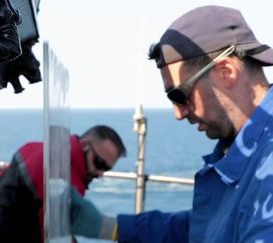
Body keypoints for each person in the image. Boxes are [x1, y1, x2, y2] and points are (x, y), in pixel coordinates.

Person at [71, 5, 273, 242]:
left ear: (225, 71)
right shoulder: (244, 147)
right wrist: (112, 228)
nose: (179, 113)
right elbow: (208, 223)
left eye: (180, 95)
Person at [0, 125, 127, 243]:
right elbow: (52, 234)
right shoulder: (65, 179)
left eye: (106, 169)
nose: (100, 173)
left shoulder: (37, 148)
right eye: (99, 163)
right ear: (84, 145)